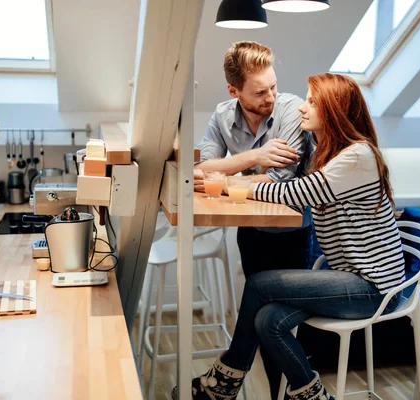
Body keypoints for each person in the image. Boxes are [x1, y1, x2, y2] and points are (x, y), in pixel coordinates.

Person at [173, 73, 405, 400]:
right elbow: (285, 188)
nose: (301, 108)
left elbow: (295, 193)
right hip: (346, 278)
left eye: (312, 102)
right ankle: (312, 394)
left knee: (257, 284)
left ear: (334, 110)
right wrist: (242, 180)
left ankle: (224, 382)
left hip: (372, 287)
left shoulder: (357, 157)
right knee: (268, 321)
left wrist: (230, 184)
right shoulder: (330, 154)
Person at [194, 41, 321, 398]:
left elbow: (280, 182)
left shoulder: (291, 110)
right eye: (260, 91)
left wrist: (228, 177)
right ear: (234, 91)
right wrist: (256, 157)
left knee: (273, 323)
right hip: (250, 233)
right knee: (262, 319)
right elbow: (201, 171)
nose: (270, 97)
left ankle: (223, 384)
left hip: (294, 234)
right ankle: (242, 387)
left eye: (273, 87)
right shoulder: (222, 116)